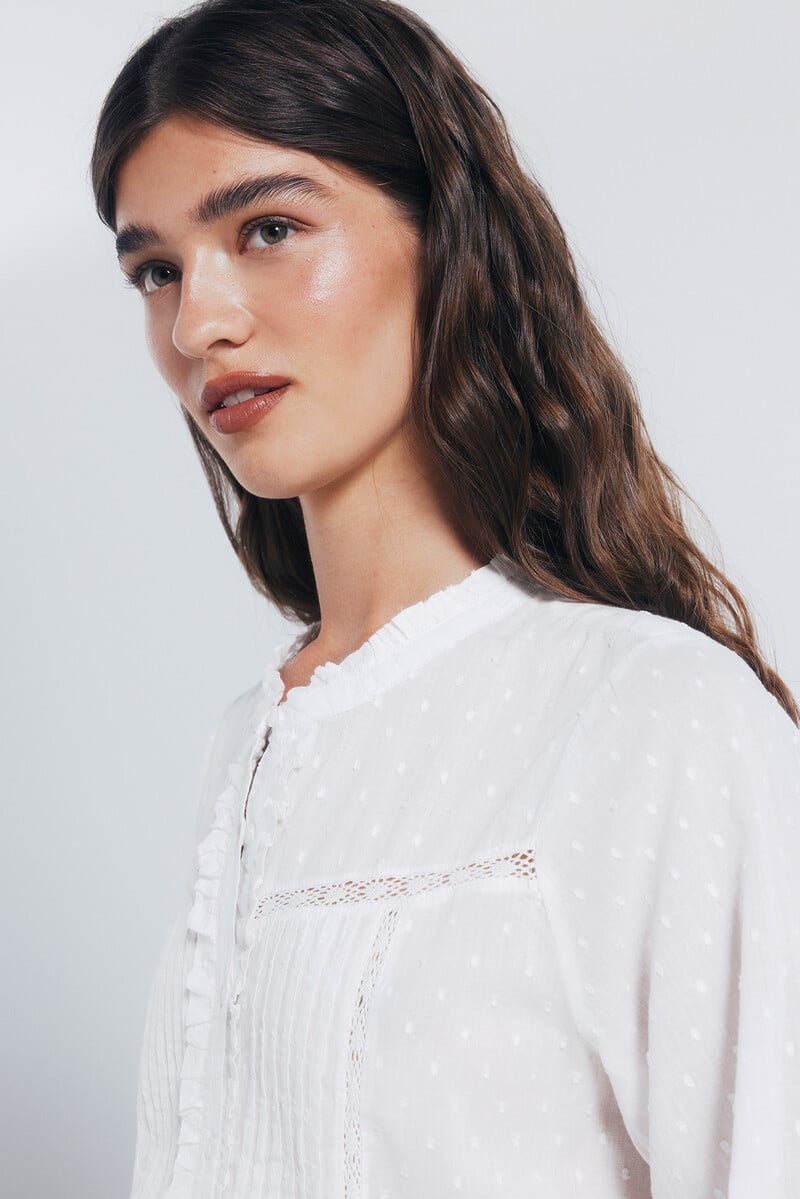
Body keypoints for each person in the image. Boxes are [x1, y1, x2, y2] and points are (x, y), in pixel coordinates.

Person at [91, 1, 800, 1195]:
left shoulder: (650, 713)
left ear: (447, 235)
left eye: (268, 228)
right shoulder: (248, 742)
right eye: (155, 269)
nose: (198, 321)